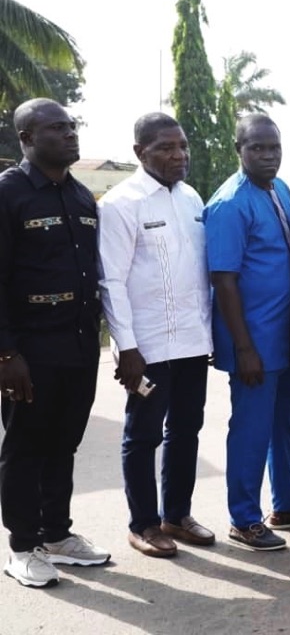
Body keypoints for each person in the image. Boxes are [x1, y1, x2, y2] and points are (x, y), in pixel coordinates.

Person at [0, 98, 110, 588]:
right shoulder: (9, 193)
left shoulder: (82, 196)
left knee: (64, 442)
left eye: (71, 126)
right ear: (26, 139)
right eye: (56, 128)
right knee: (26, 446)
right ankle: (22, 546)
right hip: (29, 349)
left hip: (80, 343)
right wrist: (6, 354)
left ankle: (56, 534)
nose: (69, 134)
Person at [97, 113, 215, 558]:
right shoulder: (120, 203)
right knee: (143, 435)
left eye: (182, 146)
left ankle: (176, 515)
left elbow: (197, 275)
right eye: (165, 147)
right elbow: (111, 281)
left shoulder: (190, 199)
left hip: (191, 341)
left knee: (187, 428)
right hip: (145, 347)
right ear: (139, 152)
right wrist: (125, 348)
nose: (178, 155)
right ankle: (143, 524)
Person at [204, 114, 290, 551]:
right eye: (257, 148)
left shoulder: (280, 190)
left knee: (286, 423)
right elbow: (223, 280)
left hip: (287, 336)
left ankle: (285, 505)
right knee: (251, 430)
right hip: (255, 343)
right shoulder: (229, 203)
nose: (267, 156)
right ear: (238, 149)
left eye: (274, 148)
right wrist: (243, 348)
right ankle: (243, 518)